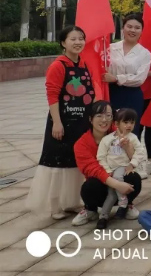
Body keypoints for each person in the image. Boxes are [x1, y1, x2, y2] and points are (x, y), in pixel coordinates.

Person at [27, 26, 103, 220]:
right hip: (62, 123)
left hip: (81, 123)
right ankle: (55, 206)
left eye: (81, 38)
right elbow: (52, 95)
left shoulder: (83, 64)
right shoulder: (58, 66)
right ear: (63, 43)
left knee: (76, 162)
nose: (78, 42)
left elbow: (90, 91)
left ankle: (71, 201)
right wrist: (57, 123)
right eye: (73, 39)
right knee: (57, 164)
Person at [72, 101, 140, 226]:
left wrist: (127, 147)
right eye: (99, 115)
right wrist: (118, 184)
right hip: (101, 186)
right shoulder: (81, 144)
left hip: (121, 180)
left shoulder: (120, 133)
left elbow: (136, 157)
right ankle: (90, 210)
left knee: (134, 177)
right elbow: (93, 169)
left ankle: (126, 205)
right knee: (89, 186)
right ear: (90, 119)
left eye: (108, 115)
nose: (104, 120)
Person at [105, 14, 151, 145]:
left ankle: (132, 157)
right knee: (110, 129)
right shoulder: (110, 48)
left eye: (137, 28)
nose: (132, 30)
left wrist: (116, 78)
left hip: (132, 96)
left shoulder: (145, 53)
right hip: (111, 93)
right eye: (129, 26)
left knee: (131, 131)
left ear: (142, 31)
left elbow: (139, 78)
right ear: (123, 28)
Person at [96, 108, 146, 228]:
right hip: (110, 171)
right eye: (126, 122)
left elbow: (140, 152)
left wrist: (132, 164)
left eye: (132, 122)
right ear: (117, 124)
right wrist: (108, 171)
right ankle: (103, 217)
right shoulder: (107, 139)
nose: (129, 125)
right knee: (111, 195)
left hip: (123, 168)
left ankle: (123, 202)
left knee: (119, 175)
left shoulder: (133, 138)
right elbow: (100, 157)